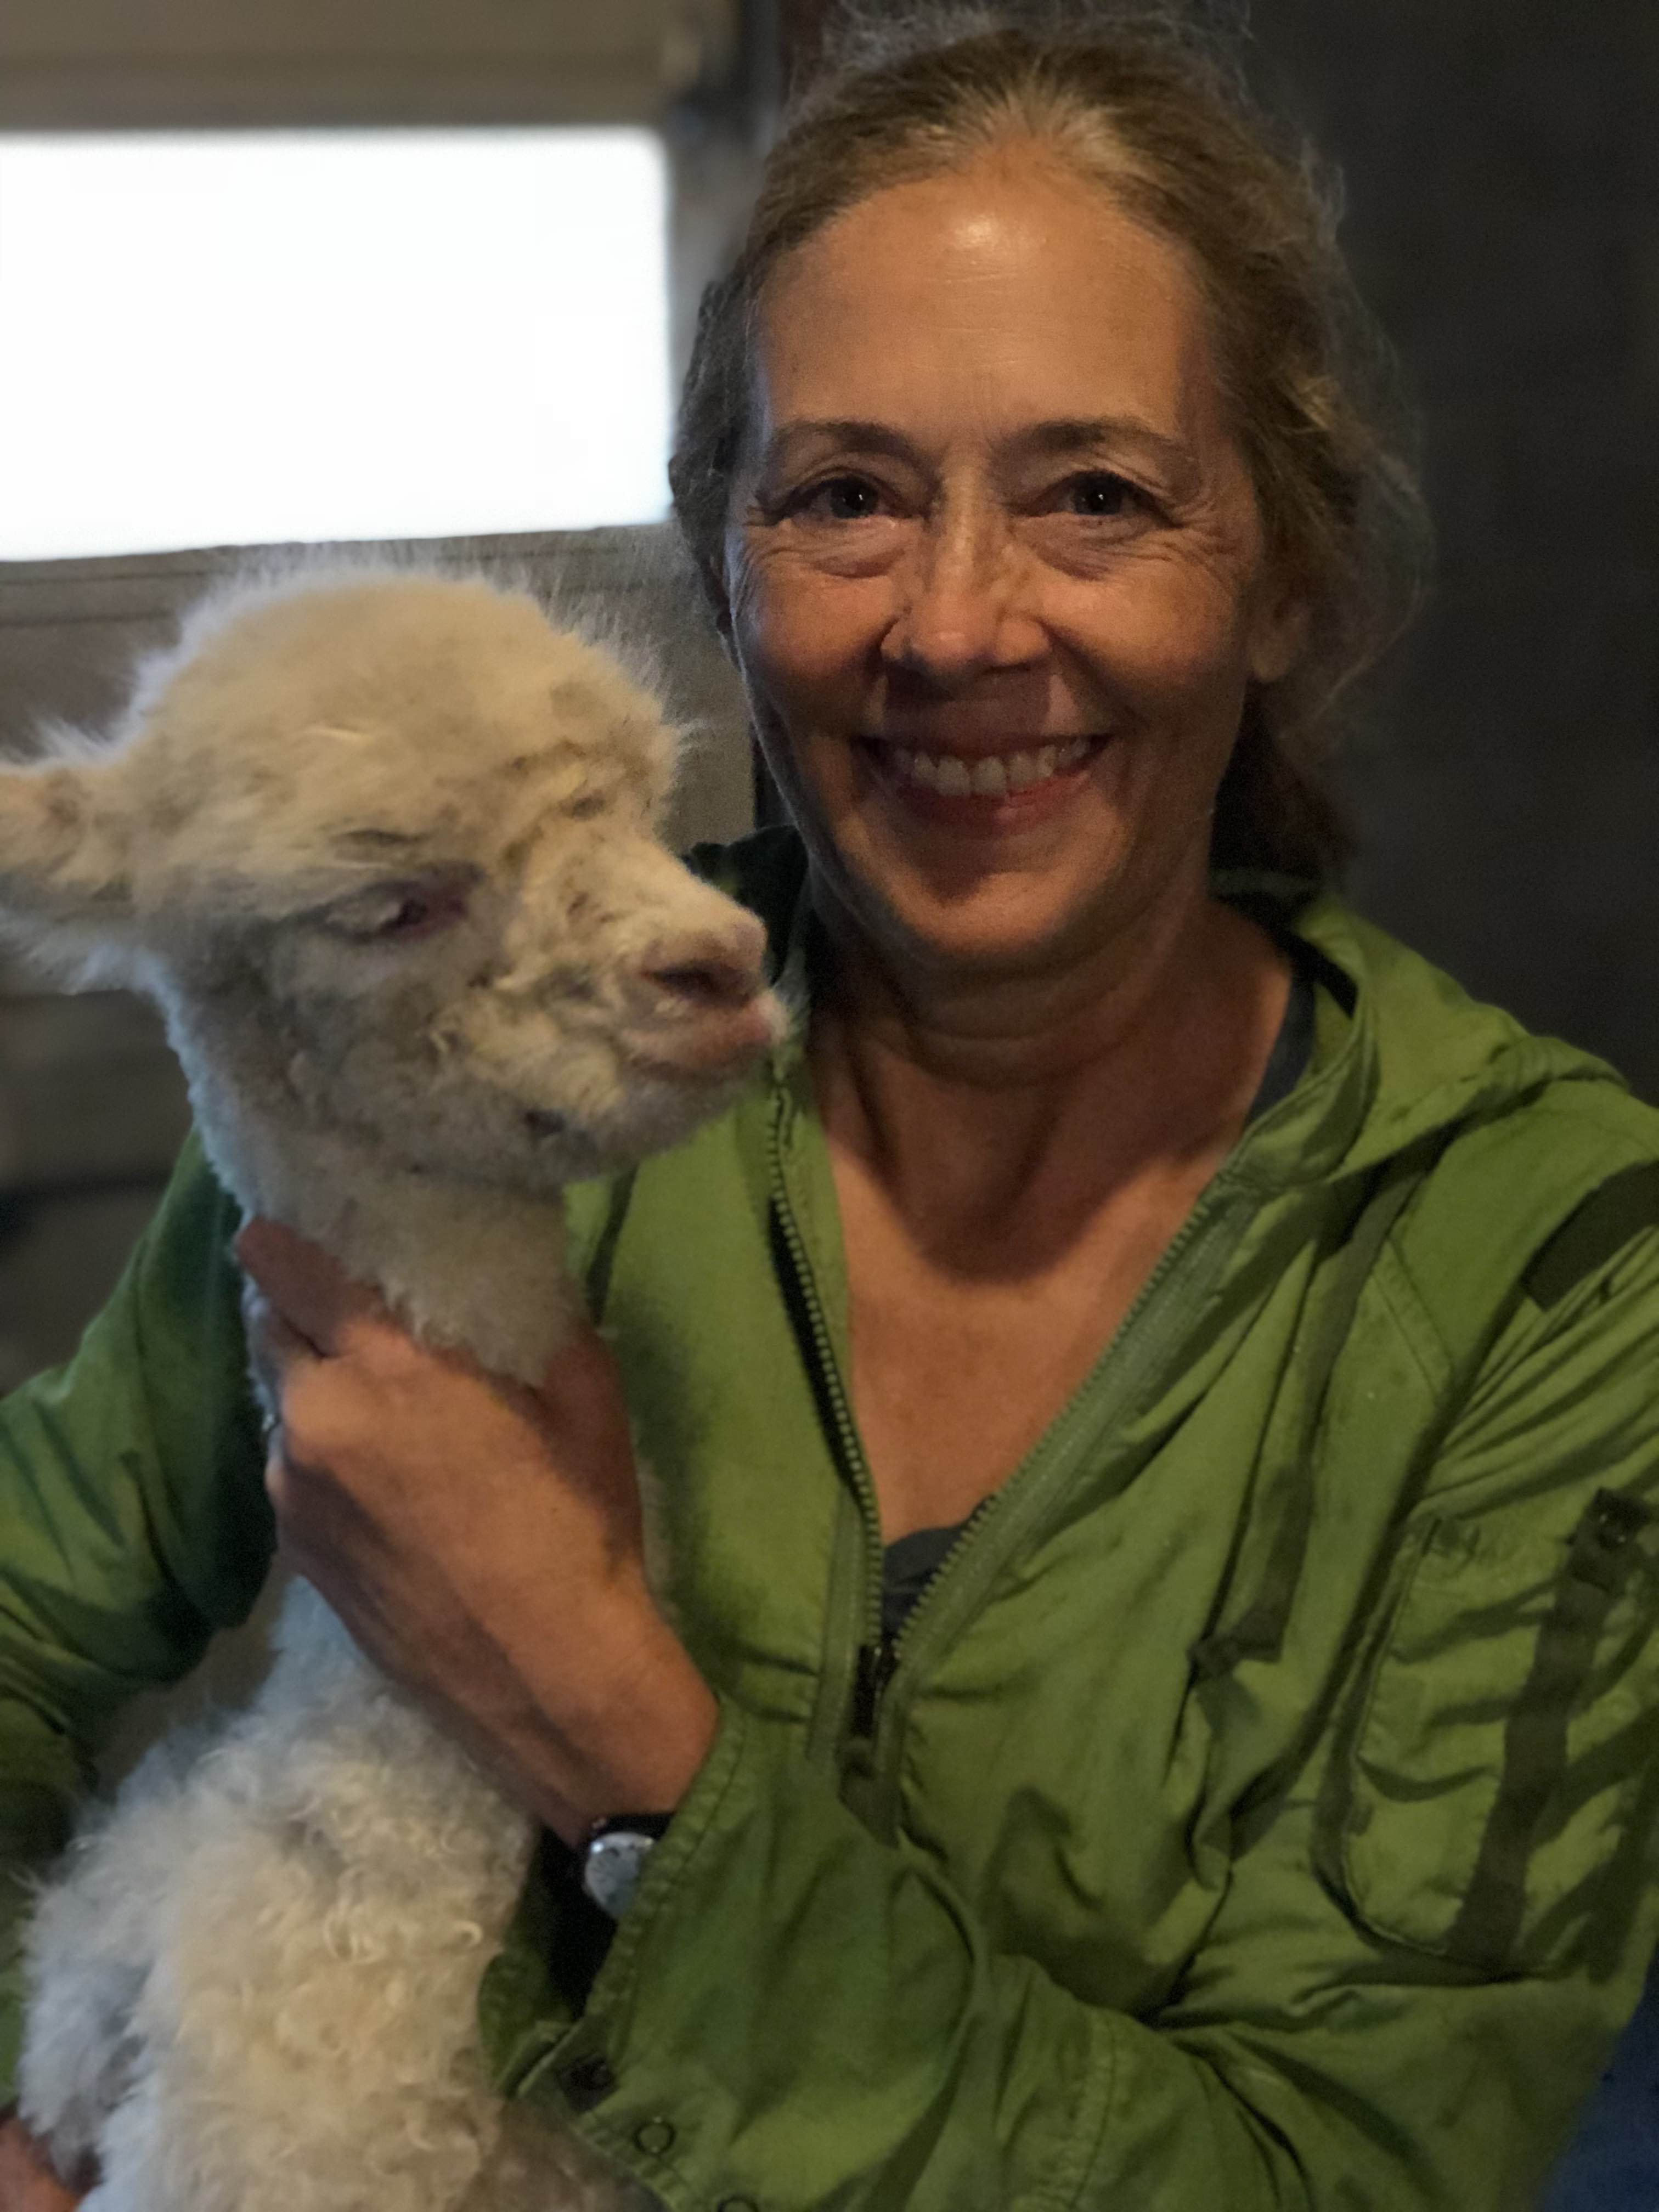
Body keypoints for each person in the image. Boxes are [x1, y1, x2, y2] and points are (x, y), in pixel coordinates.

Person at [3, 8, 1657, 2207]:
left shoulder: (1549, 1274)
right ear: (730, 565)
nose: (959, 626)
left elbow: (1345, 2170)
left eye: (1097, 495)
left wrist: (609, 1724)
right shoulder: (441, 1071)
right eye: (848, 496)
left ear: (1274, 570)